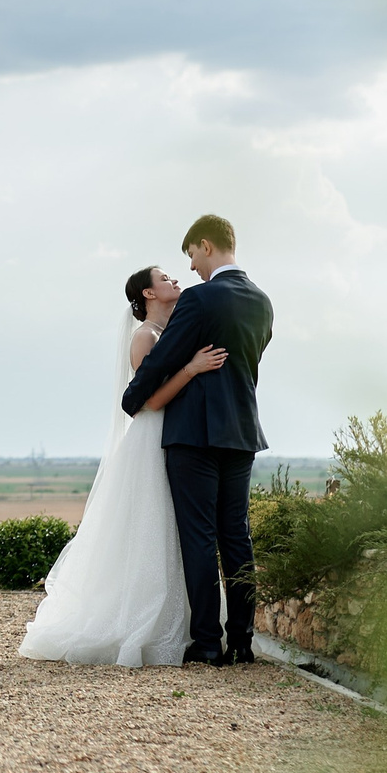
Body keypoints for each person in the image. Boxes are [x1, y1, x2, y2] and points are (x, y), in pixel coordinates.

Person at [18, 265, 228, 666]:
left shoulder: (172, 333)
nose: (175, 281)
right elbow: (147, 401)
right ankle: (141, 624)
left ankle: (186, 626)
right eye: (165, 279)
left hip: (182, 436)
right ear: (148, 294)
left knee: (179, 529)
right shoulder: (144, 337)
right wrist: (192, 369)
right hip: (154, 436)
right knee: (152, 527)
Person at [120, 214, 274, 666]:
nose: (190, 268)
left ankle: (208, 642)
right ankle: (242, 642)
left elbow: (163, 358)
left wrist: (133, 398)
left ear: (206, 246)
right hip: (242, 433)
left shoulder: (201, 299)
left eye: (191, 255)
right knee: (238, 538)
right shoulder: (263, 302)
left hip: (194, 435)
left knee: (200, 538)